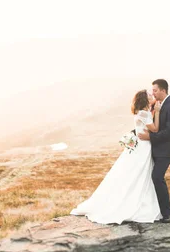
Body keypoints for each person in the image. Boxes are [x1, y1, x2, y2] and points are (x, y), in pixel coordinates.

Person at [70, 89, 163, 224]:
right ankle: (139, 204)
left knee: (139, 174)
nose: (152, 96)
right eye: (149, 95)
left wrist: (154, 110)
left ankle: (139, 201)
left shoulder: (143, 112)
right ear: (144, 99)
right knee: (141, 174)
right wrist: (158, 112)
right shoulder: (144, 113)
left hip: (142, 146)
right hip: (143, 147)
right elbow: (155, 129)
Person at [138, 79, 170, 223]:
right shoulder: (156, 104)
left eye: (155, 90)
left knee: (157, 177)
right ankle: (155, 211)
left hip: (166, 149)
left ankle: (167, 213)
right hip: (154, 148)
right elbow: (147, 123)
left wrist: (150, 137)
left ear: (163, 90)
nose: (153, 93)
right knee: (150, 179)